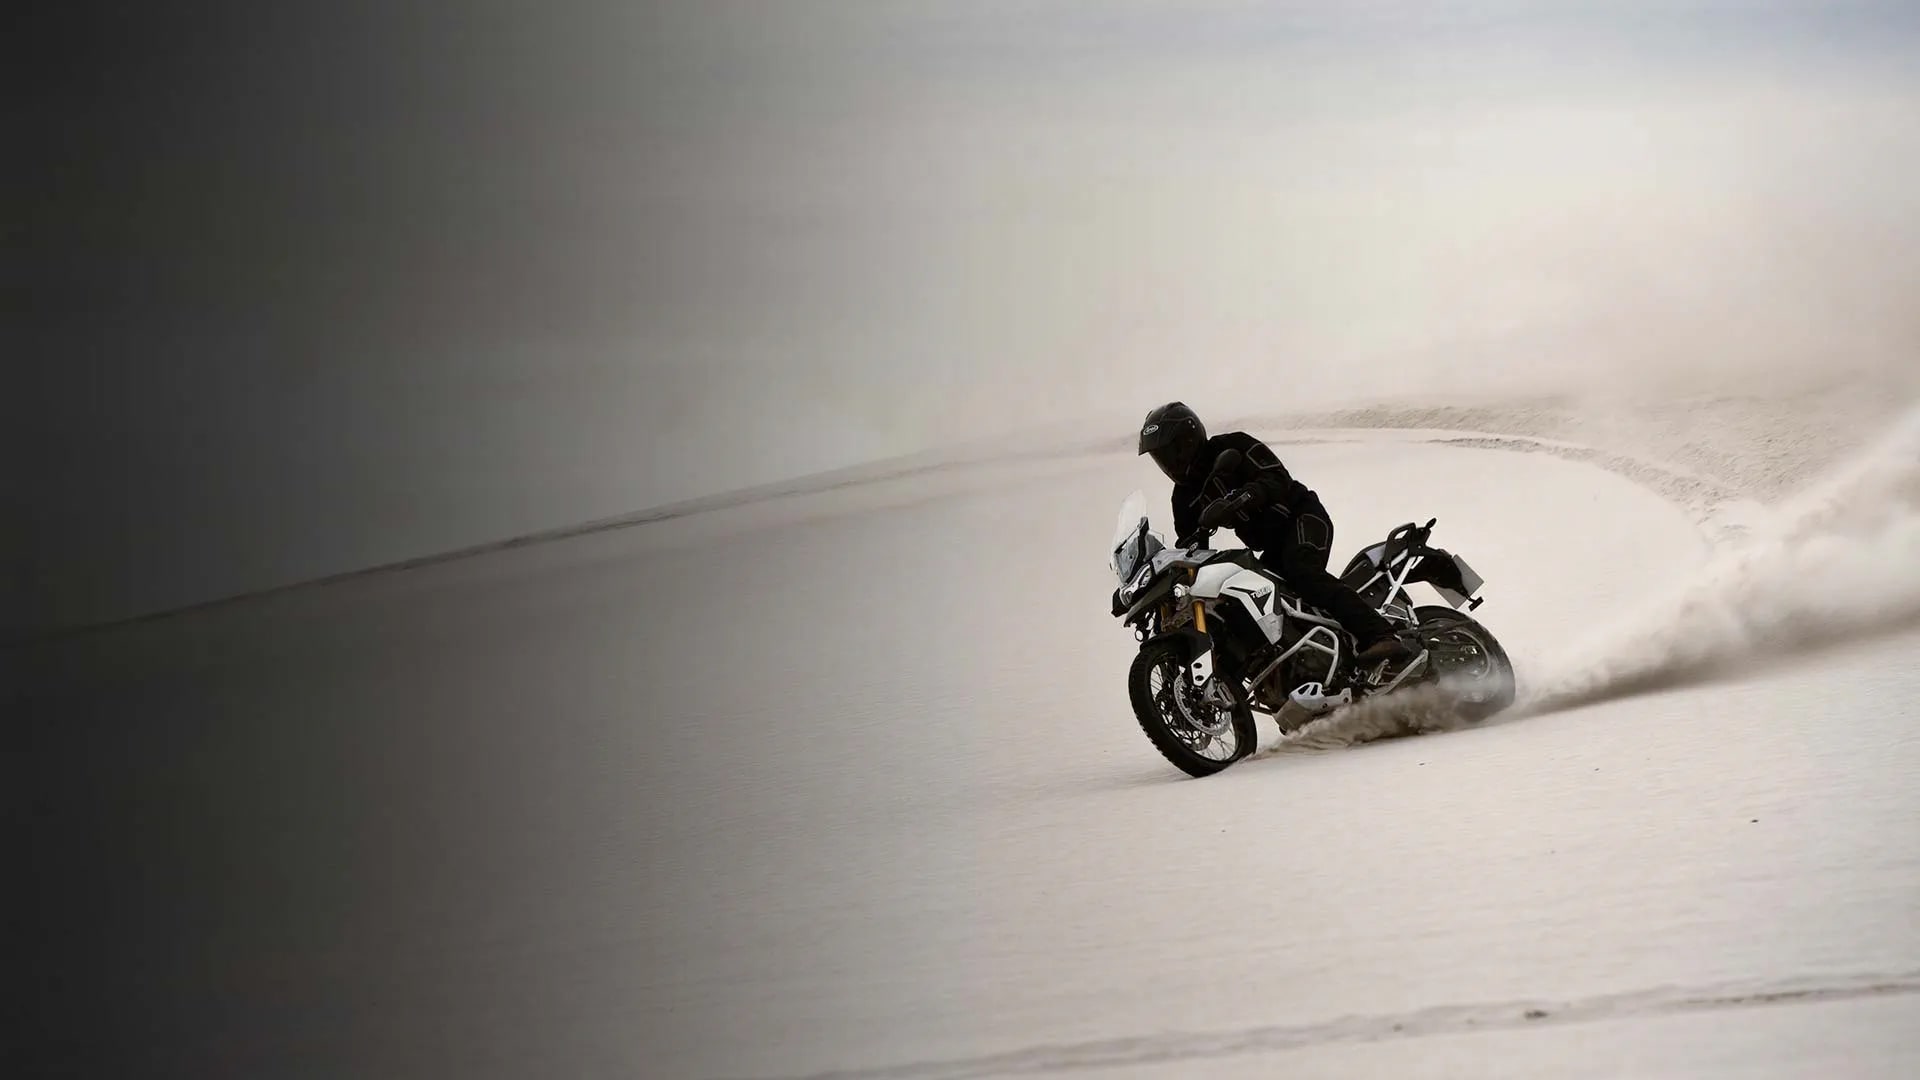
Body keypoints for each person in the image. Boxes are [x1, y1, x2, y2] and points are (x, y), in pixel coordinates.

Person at [1136, 401, 1415, 668]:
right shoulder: (1184, 496)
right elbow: (1191, 548)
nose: (1168, 463)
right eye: (1160, 458)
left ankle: (1382, 635)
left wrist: (1239, 499)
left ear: (1188, 439)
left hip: (1302, 517)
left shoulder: (1232, 447)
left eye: (1170, 452)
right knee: (1245, 602)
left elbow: (1276, 478)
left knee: (1302, 572)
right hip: (1269, 549)